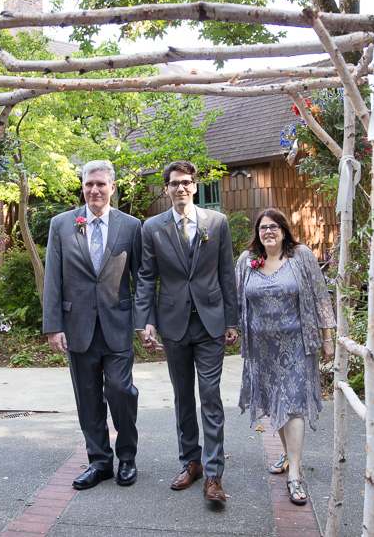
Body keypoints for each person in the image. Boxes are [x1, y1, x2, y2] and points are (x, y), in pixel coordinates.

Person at [135, 160, 239, 505]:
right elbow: (147, 277)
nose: (180, 188)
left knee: (210, 396)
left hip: (210, 322)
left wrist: (231, 320)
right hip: (173, 323)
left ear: (194, 186)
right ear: (166, 189)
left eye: (186, 182)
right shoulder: (152, 227)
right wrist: (146, 321)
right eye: (173, 183)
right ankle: (190, 462)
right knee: (182, 397)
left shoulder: (217, 223)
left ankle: (213, 474)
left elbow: (227, 274)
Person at [43, 160, 143, 490]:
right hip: (77, 326)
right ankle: (99, 462)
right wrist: (53, 326)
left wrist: (145, 323)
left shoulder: (131, 226)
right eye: (89, 184)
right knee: (87, 398)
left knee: (120, 390)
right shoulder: (62, 224)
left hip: (118, 324)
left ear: (113, 187)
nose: (95, 190)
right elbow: (53, 280)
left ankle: (126, 457)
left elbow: (142, 278)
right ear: (82, 187)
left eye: (101, 184)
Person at [235, 208, 336, 506]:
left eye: (275, 227)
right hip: (262, 348)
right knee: (275, 402)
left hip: (296, 345)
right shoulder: (246, 260)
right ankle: (289, 454)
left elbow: (320, 294)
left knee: (292, 404)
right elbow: (235, 296)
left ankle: (295, 473)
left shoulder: (300, 255)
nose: (269, 232)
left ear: (284, 230)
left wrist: (327, 337)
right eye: (263, 227)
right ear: (257, 231)